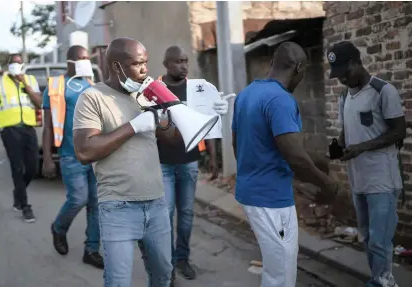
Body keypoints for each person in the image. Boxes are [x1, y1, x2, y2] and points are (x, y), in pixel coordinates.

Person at [232, 42, 339, 287]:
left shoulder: (246, 94)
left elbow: (238, 147)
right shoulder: (280, 99)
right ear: (299, 68)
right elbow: (295, 156)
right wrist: (327, 184)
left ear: (273, 63)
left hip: (252, 192)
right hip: (271, 200)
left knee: (274, 268)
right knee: (281, 274)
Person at [73, 37, 177, 287]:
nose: (144, 70)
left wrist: (164, 115)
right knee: (118, 282)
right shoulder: (92, 97)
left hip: (156, 204)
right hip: (118, 206)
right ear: (117, 67)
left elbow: (171, 140)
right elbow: (85, 151)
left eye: (146, 63)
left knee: (163, 275)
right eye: (137, 64)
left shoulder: (145, 94)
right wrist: (133, 126)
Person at [328, 41, 405, 287]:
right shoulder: (344, 96)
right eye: (338, 76)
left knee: (379, 240)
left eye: (345, 73)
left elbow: (399, 131)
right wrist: (338, 145)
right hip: (358, 179)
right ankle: (379, 280)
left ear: (356, 62)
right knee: (367, 237)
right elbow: (347, 130)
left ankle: (383, 282)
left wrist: (361, 147)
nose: (342, 79)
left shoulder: (384, 91)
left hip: (382, 179)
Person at [157, 45, 234, 283]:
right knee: (166, 214)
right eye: (178, 61)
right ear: (166, 64)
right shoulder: (155, 89)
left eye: (186, 61)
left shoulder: (196, 88)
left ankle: (183, 259)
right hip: (163, 163)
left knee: (187, 214)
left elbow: (207, 120)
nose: (183, 66)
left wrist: (212, 156)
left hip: (189, 161)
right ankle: (166, 264)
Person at [42, 45, 104, 268]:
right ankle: (59, 228)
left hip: (95, 155)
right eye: (81, 58)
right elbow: (48, 126)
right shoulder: (57, 86)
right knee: (79, 198)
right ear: (69, 61)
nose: (86, 61)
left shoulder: (92, 84)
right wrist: (48, 158)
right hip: (70, 154)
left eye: (88, 58)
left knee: (96, 203)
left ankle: (92, 249)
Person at [0, 54, 42, 223]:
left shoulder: (31, 80)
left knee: (33, 167)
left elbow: (39, 103)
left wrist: (25, 84)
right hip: (9, 131)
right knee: (17, 168)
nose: (16, 65)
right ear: (7, 65)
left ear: (22, 65)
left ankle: (18, 192)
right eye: (13, 62)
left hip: (28, 128)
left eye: (19, 62)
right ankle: (25, 206)